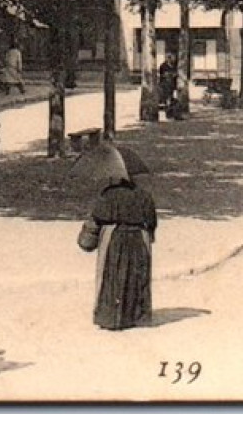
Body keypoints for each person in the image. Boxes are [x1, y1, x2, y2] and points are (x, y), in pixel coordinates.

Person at [81, 145, 157, 331]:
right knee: (136, 276)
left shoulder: (108, 195)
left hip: (114, 239)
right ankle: (136, 316)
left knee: (112, 276)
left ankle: (112, 318)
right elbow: (151, 222)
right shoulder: (144, 196)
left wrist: (86, 239)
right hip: (139, 239)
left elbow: (96, 219)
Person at [157, 54, 179, 120]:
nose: (170, 59)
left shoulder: (174, 65)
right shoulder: (163, 66)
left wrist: (174, 75)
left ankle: (171, 113)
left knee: (172, 98)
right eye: (169, 58)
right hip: (165, 84)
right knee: (166, 99)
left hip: (172, 84)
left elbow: (176, 73)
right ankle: (167, 113)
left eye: (171, 58)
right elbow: (161, 74)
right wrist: (167, 75)